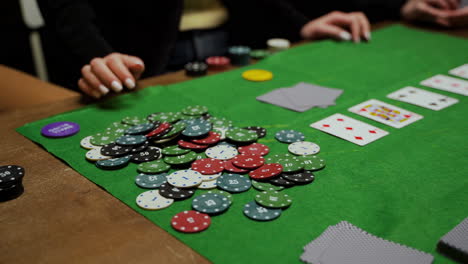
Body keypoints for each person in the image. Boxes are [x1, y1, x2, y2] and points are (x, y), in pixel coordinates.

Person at [38, 0, 467, 99]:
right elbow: (66, 7)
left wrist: (302, 24)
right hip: (138, 57)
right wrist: (97, 55)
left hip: (234, 46)